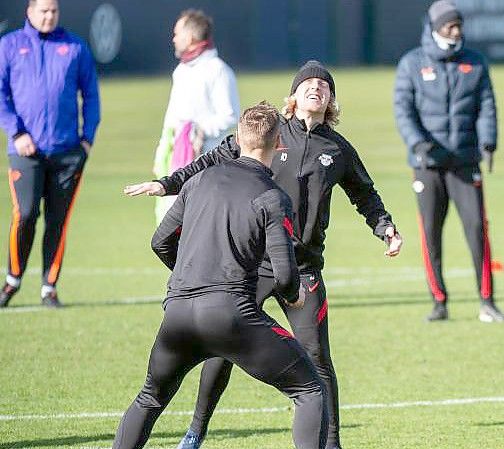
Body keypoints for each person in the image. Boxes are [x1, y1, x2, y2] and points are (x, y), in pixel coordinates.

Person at [123, 60, 402, 449]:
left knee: (317, 357)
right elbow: (210, 163)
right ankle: (196, 431)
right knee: (221, 349)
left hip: (302, 268)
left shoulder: (337, 150)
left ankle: (332, 443)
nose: (316, 88)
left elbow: (365, 194)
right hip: (251, 267)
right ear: (294, 95)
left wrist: (384, 226)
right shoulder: (268, 134)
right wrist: (167, 184)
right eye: (309, 83)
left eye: (324, 85)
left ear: (331, 100)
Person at [112, 102, 328, 449]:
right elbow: (286, 276)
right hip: (230, 316)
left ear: (238, 138)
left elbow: (160, 241)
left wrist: (189, 277)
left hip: (178, 314)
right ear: (278, 144)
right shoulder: (273, 197)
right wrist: (294, 295)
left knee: (150, 398)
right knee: (309, 389)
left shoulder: (197, 181)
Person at [394, 0, 504, 322]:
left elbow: (487, 105)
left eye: (459, 25)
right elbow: (403, 110)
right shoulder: (411, 63)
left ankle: (487, 301)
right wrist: (418, 143)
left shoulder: (475, 62)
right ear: (434, 27)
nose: (456, 31)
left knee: (476, 228)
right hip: (427, 164)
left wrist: (489, 141)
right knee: (430, 232)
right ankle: (439, 301)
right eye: (450, 26)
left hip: (465, 161)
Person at [0, 0, 100, 308]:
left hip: (67, 153)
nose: (49, 16)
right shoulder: (9, 45)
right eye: (43, 10)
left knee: (58, 221)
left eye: (53, 11)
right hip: (25, 152)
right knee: (26, 214)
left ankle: (49, 287)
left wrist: (86, 141)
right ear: (29, 11)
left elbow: (91, 95)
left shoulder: (75, 47)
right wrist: (16, 133)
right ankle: (13, 280)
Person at [153, 9, 239, 223]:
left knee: (203, 221)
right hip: (177, 160)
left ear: (190, 37)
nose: (173, 39)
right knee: (171, 222)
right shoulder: (181, 70)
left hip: (208, 161)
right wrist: (162, 152)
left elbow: (230, 115)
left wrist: (200, 131)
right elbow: (172, 118)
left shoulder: (218, 70)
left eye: (177, 34)